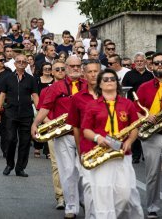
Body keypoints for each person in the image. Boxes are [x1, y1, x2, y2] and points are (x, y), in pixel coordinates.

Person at [81, 68, 143, 219]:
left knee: (125, 193)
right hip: (101, 154)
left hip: (122, 154)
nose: (109, 81)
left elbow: (134, 127)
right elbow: (85, 130)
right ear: (100, 85)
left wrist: (129, 141)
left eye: (112, 79)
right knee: (102, 194)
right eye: (105, 79)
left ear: (117, 83)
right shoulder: (92, 105)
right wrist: (97, 138)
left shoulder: (128, 104)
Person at [31, 55, 87, 218]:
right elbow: (46, 107)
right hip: (64, 135)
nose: (76, 68)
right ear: (67, 68)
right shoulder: (56, 87)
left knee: (85, 170)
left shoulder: (89, 85)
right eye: (72, 66)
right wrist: (36, 123)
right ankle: (71, 206)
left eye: (78, 65)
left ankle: (83, 199)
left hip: (85, 135)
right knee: (67, 171)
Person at [136, 52, 162, 219]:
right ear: (152, 66)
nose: (160, 65)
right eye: (156, 63)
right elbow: (134, 112)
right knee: (152, 174)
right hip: (150, 135)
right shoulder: (144, 87)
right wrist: (145, 117)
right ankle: (153, 208)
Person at [0, 54, 39, 177]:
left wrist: (40, 113)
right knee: (10, 139)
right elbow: (2, 95)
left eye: (23, 62)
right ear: (14, 64)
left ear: (27, 64)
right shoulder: (7, 78)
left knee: (25, 142)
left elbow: (35, 97)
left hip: (26, 115)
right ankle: (9, 164)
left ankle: (20, 168)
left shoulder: (31, 79)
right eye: (18, 61)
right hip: (10, 113)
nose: (21, 63)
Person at [70, 59, 101, 219]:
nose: (93, 74)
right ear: (84, 74)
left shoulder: (112, 93)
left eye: (96, 71)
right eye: (89, 71)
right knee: (89, 186)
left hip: (109, 148)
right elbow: (75, 126)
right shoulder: (77, 98)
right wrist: (80, 149)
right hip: (87, 147)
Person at [122, 52, 154, 164]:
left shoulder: (150, 75)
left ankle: (146, 154)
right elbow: (123, 90)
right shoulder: (129, 75)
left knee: (147, 131)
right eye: (137, 61)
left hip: (147, 108)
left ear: (145, 62)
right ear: (134, 63)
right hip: (133, 107)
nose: (139, 63)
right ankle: (136, 155)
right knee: (135, 130)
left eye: (141, 61)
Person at [33, 62, 53, 158]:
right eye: (45, 68)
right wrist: (38, 108)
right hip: (38, 106)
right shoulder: (37, 80)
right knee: (39, 126)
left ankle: (47, 150)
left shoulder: (54, 81)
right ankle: (37, 147)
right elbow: (34, 95)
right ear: (42, 70)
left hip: (51, 108)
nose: (47, 70)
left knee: (49, 127)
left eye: (49, 68)